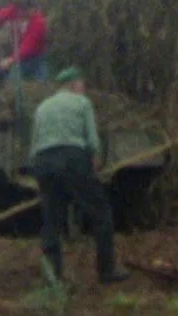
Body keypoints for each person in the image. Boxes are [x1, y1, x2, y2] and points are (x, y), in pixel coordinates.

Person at [28, 68, 128, 286]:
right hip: (72, 158)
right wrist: (94, 159)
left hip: (43, 160)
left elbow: (34, 142)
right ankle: (106, 270)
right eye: (82, 84)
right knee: (100, 213)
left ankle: (53, 274)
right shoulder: (82, 103)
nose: (84, 88)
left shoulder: (43, 106)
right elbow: (91, 138)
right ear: (73, 85)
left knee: (52, 219)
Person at [0, 0, 49, 81]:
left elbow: (28, 46)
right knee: (14, 81)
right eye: (21, 10)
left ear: (32, 9)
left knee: (41, 82)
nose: (21, 13)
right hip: (21, 58)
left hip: (36, 56)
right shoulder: (17, 11)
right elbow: (2, 14)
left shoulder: (39, 23)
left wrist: (10, 59)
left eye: (27, 10)